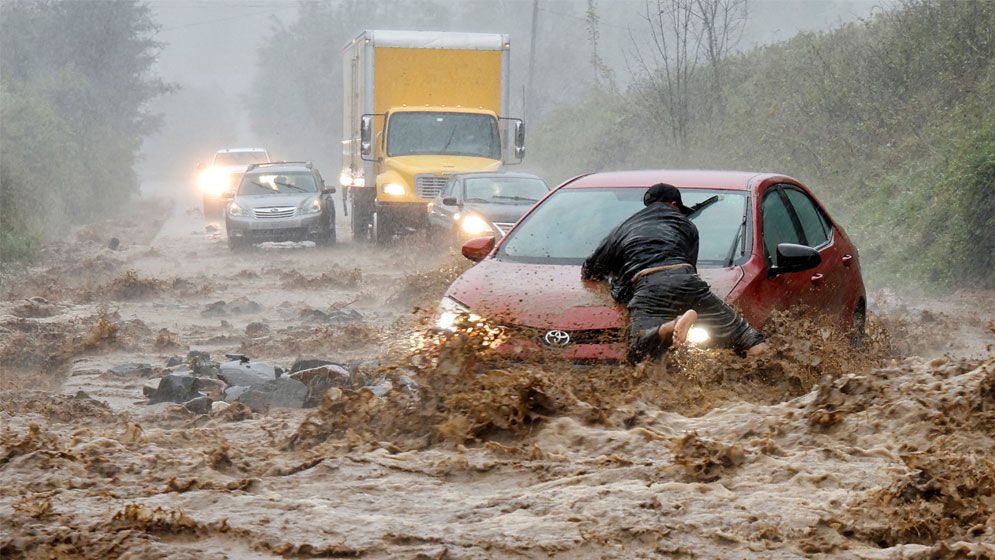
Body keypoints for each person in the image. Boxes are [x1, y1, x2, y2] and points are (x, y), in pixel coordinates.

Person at [581, 183, 769, 363]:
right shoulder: (687, 225)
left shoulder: (623, 228)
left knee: (637, 349)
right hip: (687, 279)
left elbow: (591, 269)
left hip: (650, 285)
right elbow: (689, 268)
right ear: (674, 204)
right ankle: (768, 377)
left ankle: (671, 326)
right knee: (749, 338)